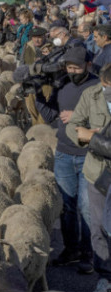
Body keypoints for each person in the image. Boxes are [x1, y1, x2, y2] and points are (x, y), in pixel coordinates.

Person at [35, 46, 96, 275]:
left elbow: (106, 119)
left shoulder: (98, 86)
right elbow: (51, 116)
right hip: (63, 153)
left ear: (88, 65)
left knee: (87, 207)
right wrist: (38, 94)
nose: (72, 71)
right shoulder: (62, 84)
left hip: (89, 154)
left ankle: (88, 254)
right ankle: (71, 250)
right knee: (67, 206)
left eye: (77, 67)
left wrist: (79, 117)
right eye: (69, 67)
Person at [66, 63, 111, 292]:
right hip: (97, 173)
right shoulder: (91, 95)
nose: (106, 92)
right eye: (105, 87)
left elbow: (91, 135)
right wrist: (81, 135)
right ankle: (105, 279)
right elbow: (74, 126)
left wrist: (93, 136)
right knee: (98, 227)